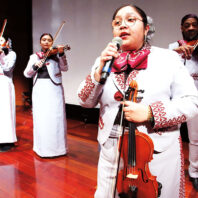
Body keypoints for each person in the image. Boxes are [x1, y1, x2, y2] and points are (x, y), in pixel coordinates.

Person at [77, 4, 198, 198]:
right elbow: (84, 101)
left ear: (146, 28)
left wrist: (151, 113)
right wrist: (99, 71)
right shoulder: (105, 60)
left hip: (154, 151)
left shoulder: (168, 58)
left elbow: (192, 102)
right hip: (111, 151)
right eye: (117, 22)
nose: (122, 25)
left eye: (131, 20)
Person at [24, 33, 68, 158]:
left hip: (55, 89)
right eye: (44, 40)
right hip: (41, 90)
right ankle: (42, 149)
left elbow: (65, 68)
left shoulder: (57, 55)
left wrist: (62, 54)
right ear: (40, 42)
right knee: (42, 118)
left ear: (52, 42)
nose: (46, 42)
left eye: (49, 40)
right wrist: (34, 67)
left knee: (57, 118)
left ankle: (59, 149)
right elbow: (27, 74)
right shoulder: (34, 57)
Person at [169, 14, 198, 191]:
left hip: (196, 96)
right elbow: (164, 63)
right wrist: (177, 52)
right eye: (187, 25)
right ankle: (172, 170)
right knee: (172, 135)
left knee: (195, 138)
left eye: (194, 25)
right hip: (178, 96)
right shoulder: (173, 47)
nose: (191, 28)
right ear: (181, 28)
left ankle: (194, 172)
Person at [0, 36, 17, 152]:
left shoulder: (11, 54)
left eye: (1, 40)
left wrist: (1, 56)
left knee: (6, 112)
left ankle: (7, 140)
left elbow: (7, 69)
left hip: (5, 83)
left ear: (6, 42)